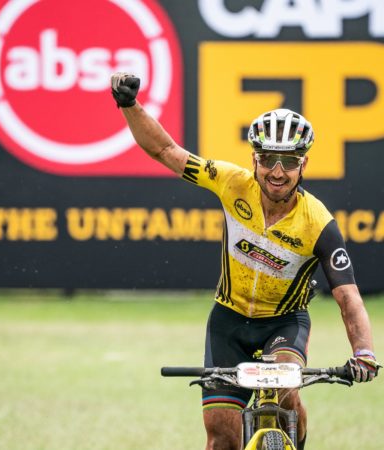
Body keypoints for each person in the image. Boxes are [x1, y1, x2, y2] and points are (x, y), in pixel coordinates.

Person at [110, 73, 380, 450]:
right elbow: (166, 151)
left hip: (284, 323)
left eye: (289, 161)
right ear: (254, 158)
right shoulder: (231, 182)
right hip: (228, 321)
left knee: (285, 392)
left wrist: (363, 352)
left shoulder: (318, 222)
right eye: (267, 159)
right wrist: (129, 105)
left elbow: (348, 297)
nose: (277, 171)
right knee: (221, 437)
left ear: (303, 163)